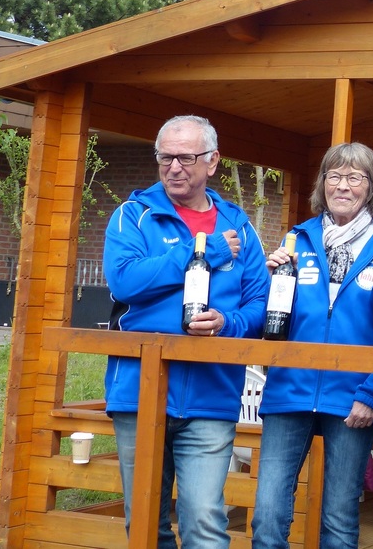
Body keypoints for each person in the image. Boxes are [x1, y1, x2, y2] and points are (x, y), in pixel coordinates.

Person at [103, 115, 268, 549]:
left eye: (186, 157)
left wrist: (228, 323)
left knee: (204, 522)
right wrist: (205, 252)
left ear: (213, 162)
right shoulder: (133, 216)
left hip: (212, 394)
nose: (174, 167)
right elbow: (124, 280)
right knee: (144, 525)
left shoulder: (239, 226)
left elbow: (260, 304)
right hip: (139, 393)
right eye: (166, 157)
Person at [250, 142, 373, 549]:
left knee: (338, 518)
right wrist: (273, 281)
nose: (343, 186)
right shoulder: (297, 240)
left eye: (354, 177)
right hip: (288, 391)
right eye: (334, 176)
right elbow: (271, 321)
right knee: (268, 514)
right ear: (322, 183)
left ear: (371, 187)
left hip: (354, 398)